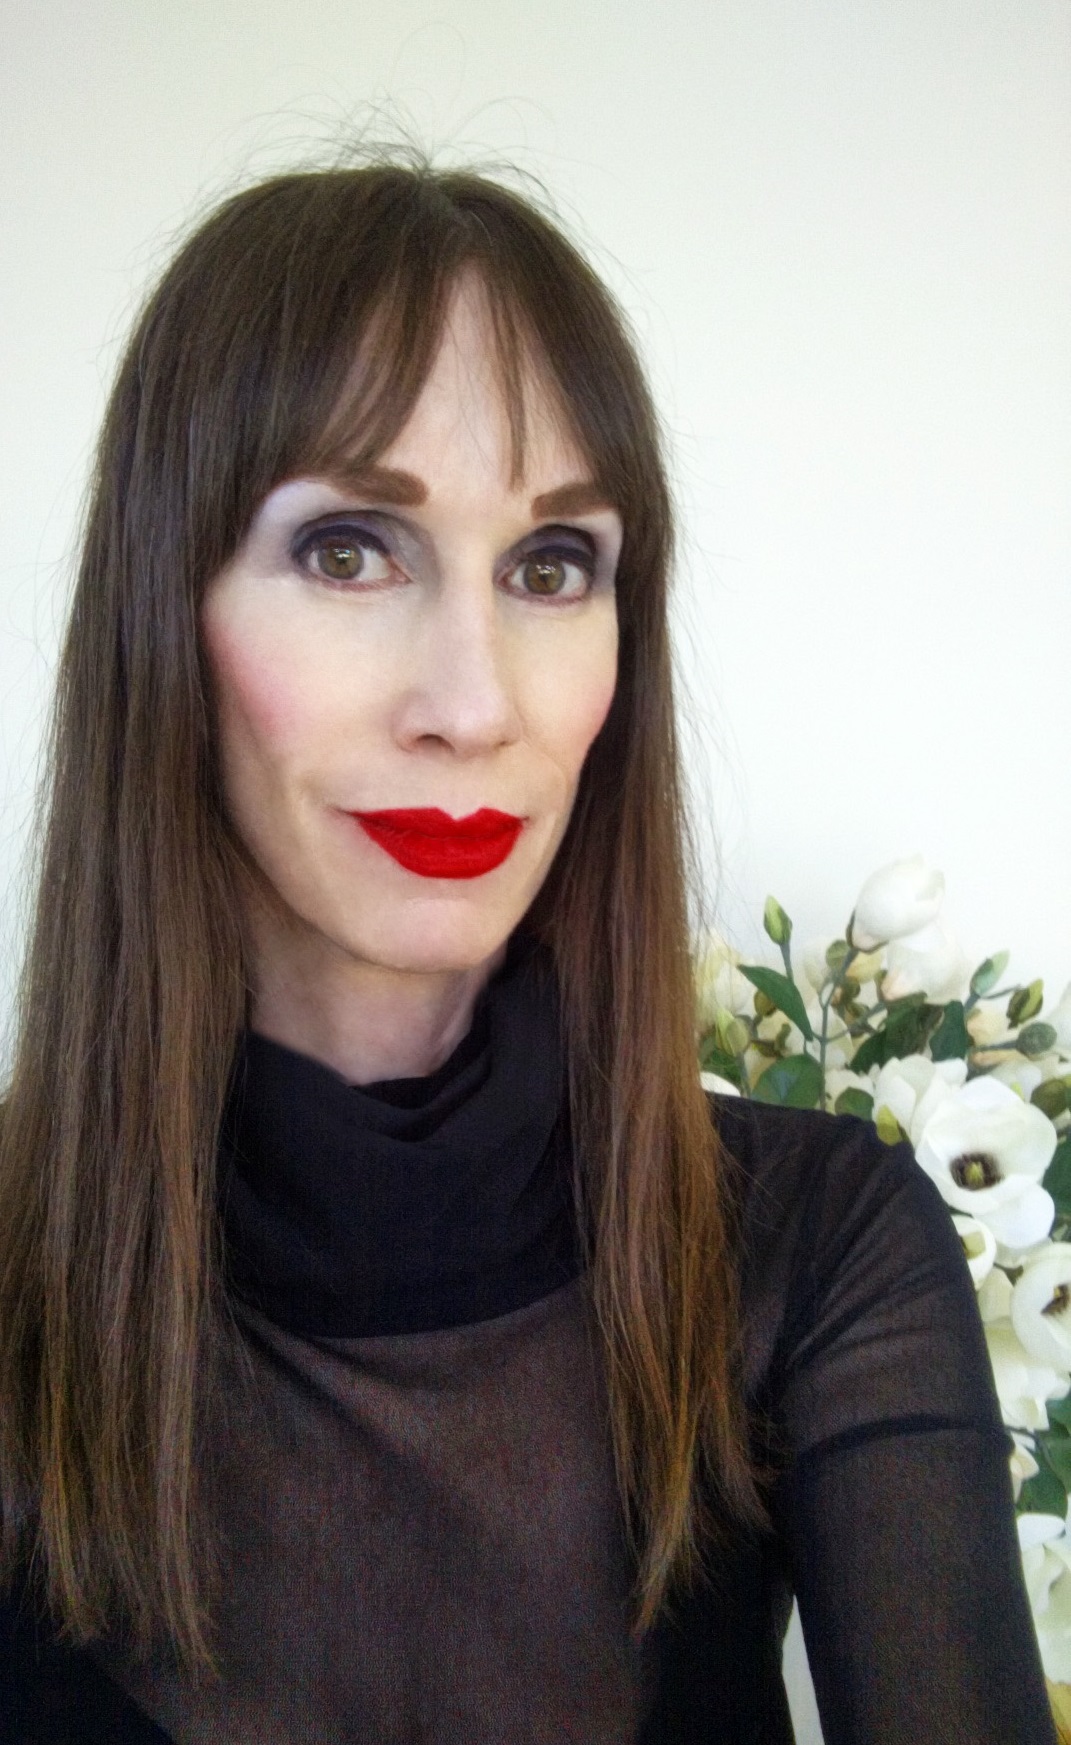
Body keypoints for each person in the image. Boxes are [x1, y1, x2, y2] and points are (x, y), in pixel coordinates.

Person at [0, 154, 1055, 1745]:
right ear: (166, 614)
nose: (475, 702)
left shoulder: (819, 1246)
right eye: (349, 549)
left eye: (551, 566)